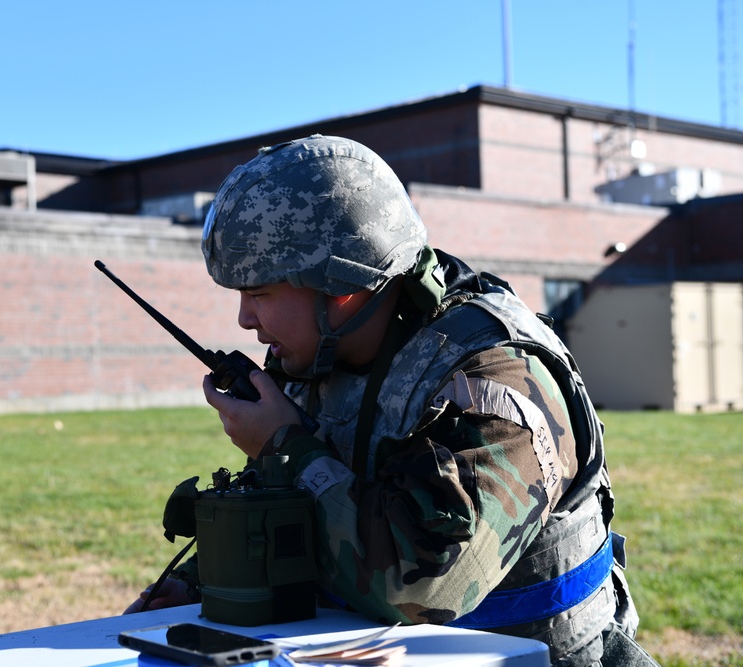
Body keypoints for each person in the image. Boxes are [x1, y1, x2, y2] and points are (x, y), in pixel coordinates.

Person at [126, 135, 657, 666]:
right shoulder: (310, 362)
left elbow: (422, 586)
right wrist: (196, 584)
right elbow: (301, 517)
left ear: (342, 284)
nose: (245, 320)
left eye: (260, 294)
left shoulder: (495, 378)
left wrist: (284, 445)